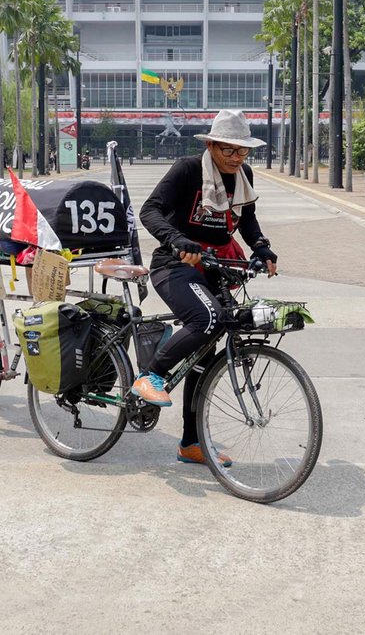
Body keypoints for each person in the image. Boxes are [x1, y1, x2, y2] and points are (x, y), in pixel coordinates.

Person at [132, 109, 277, 465]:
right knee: (207, 319)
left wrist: (261, 247)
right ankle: (151, 376)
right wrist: (178, 239)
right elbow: (150, 210)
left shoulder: (243, 174)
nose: (235, 157)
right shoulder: (187, 170)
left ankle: (190, 443)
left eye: (242, 150)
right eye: (228, 149)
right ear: (211, 145)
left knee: (206, 354)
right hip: (174, 265)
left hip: (216, 267)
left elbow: (248, 218)